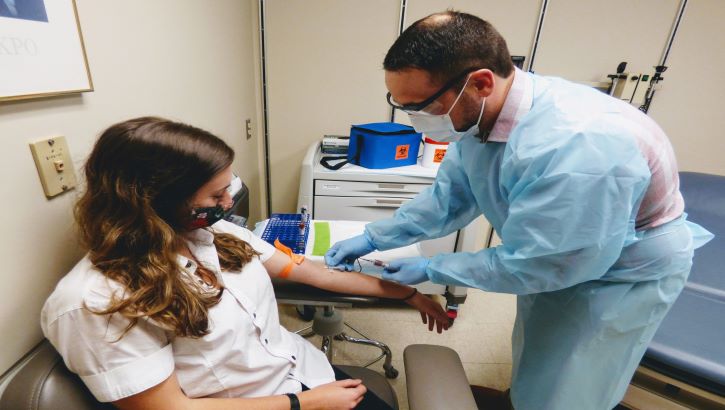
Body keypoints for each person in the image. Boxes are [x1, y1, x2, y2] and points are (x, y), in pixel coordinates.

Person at [325, 11, 714, 410]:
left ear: (479, 82)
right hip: (560, 254)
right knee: (539, 352)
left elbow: (546, 264)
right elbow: (449, 199)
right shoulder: (480, 116)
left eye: (421, 106)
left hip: (617, 275)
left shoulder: (578, 146)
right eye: (402, 104)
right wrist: (375, 236)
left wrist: (436, 269)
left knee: (574, 383)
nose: (416, 120)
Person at [41, 117, 450, 410]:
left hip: (302, 373)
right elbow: (166, 408)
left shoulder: (219, 236)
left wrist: (411, 292)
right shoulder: (95, 301)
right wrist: (301, 404)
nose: (228, 204)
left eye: (229, 188)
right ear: (153, 201)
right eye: (216, 195)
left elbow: (313, 274)